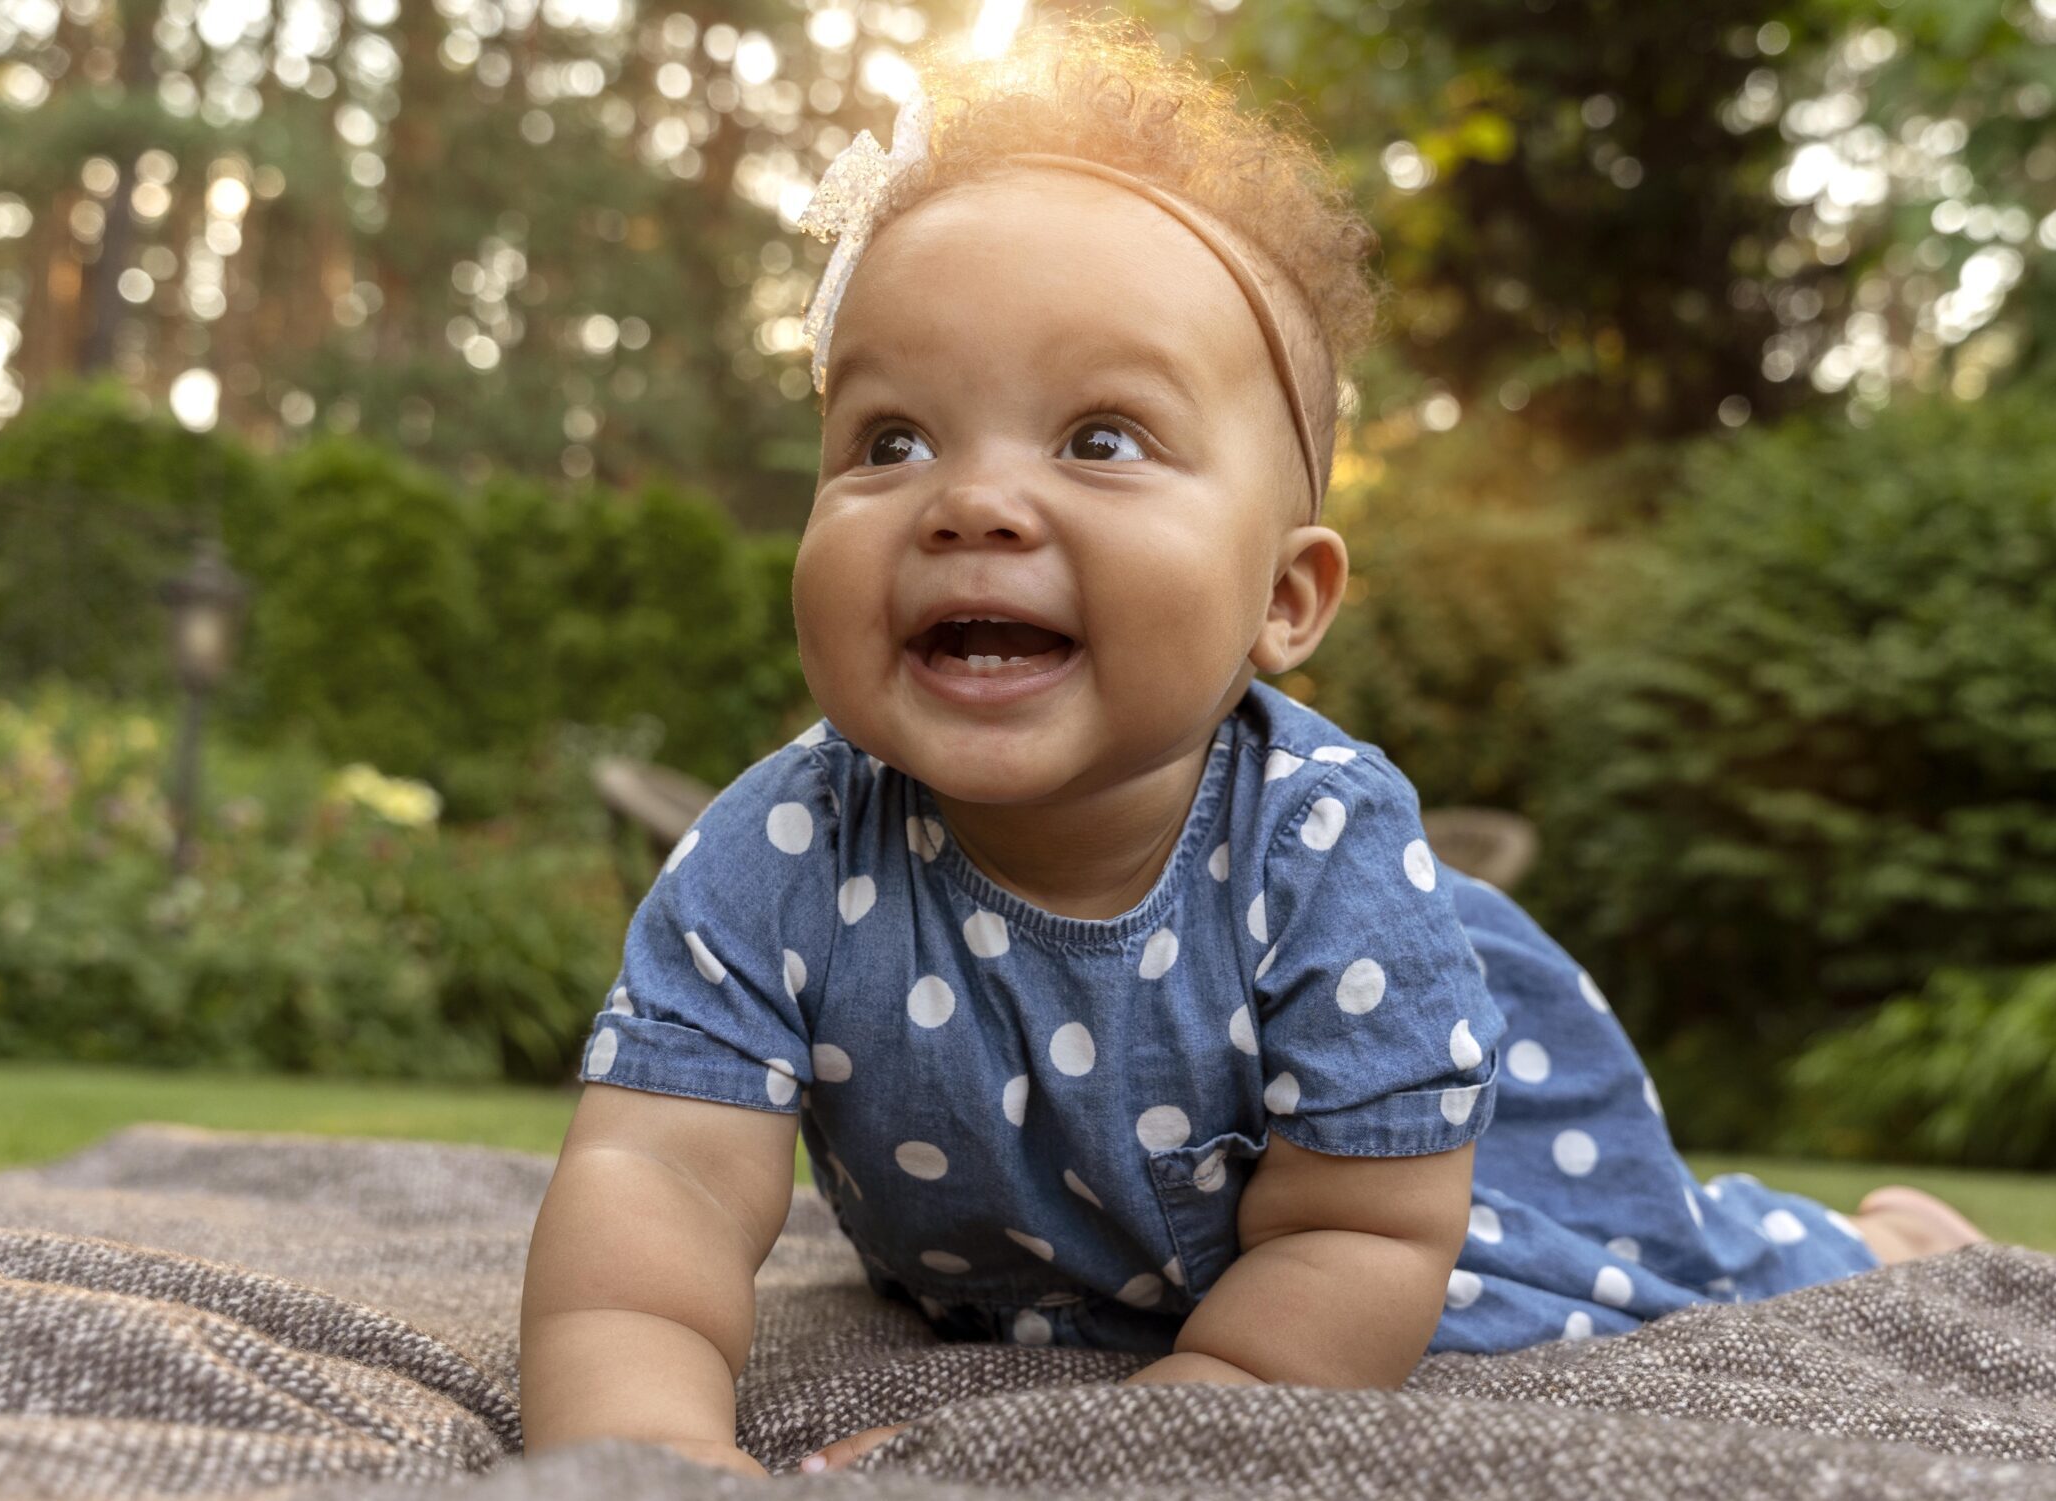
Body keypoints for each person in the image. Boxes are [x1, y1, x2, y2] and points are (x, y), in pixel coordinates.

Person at [518, 15, 1981, 1479]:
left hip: (1428, 1208)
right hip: (1064, 1273)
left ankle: (1888, 1233)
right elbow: (660, 1188)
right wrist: (641, 1452)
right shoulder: (777, 850)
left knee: (1706, 1264)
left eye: (1099, 438)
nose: (971, 501)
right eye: (890, 438)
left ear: (1285, 598)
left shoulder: (1324, 851)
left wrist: (1130, 1436)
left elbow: (1358, 1240)